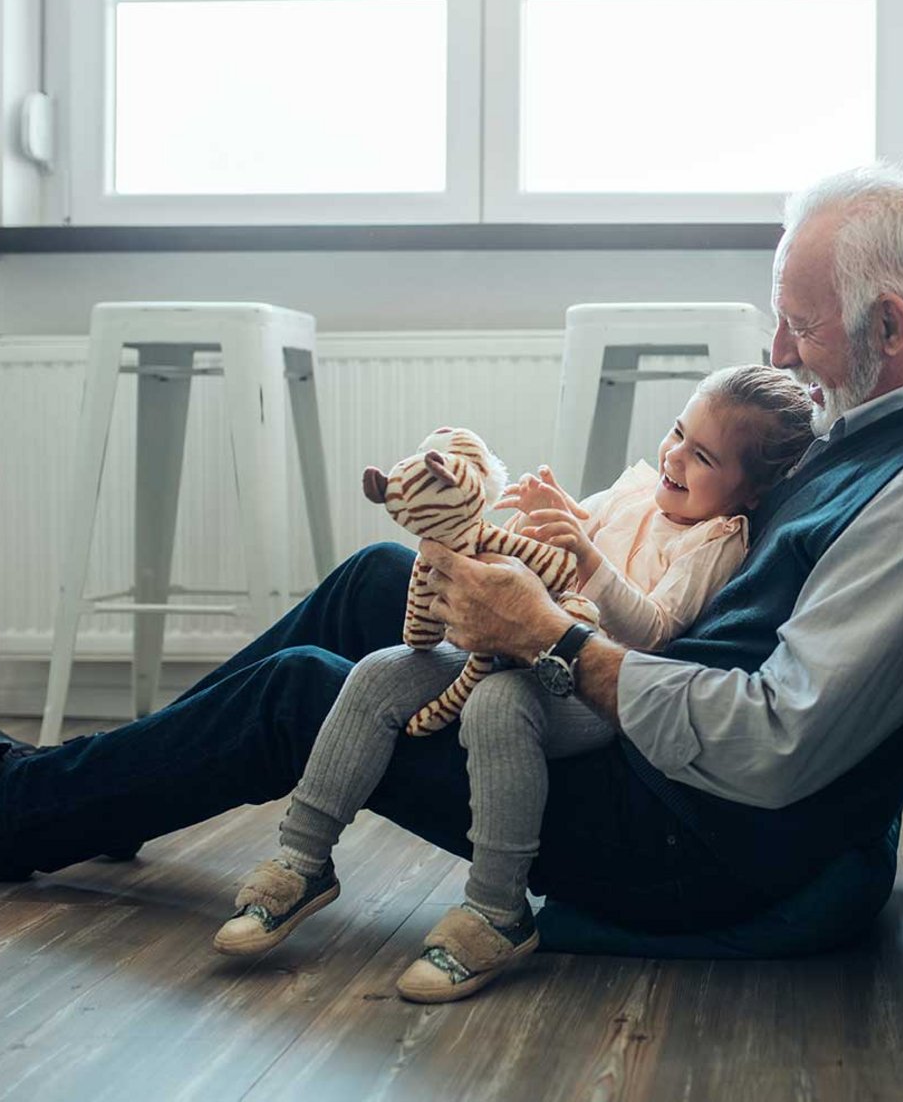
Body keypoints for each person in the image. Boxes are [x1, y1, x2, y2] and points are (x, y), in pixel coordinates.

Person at [0, 164, 903, 1002]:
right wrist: (563, 562)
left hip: (693, 840)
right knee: (385, 574)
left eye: (799, 328)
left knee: (310, 692)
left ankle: (6, 816)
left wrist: (558, 644)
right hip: (647, 744)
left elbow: (778, 742)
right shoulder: (872, 423)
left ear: (889, 323)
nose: (779, 353)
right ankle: (100, 796)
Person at [214, 366, 817, 1005]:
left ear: (750, 492)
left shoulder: (716, 539)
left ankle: (496, 909)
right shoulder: (642, 486)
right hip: (518, 644)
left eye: (703, 457)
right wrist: (555, 516)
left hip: (591, 683)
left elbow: (655, 629)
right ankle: (302, 861)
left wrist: (586, 556)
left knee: (500, 705)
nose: (675, 457)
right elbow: (569, 540)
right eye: (677, 433)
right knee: (379, 673)